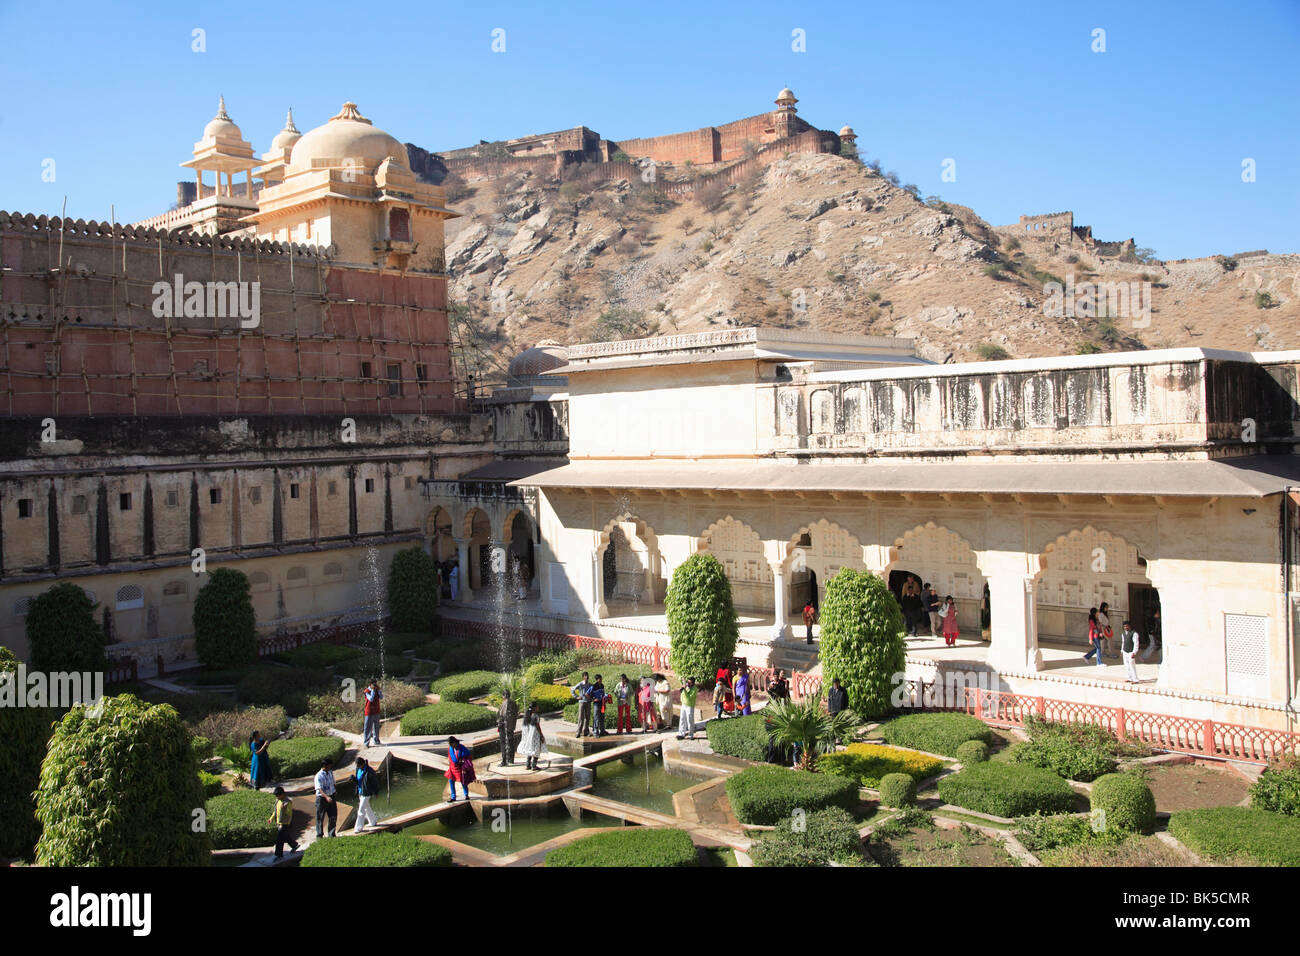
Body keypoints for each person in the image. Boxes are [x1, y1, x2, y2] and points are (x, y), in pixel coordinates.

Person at [267, 786, 299, 858]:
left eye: (278, 795)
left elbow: (289, 814)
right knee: (285, 836)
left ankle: (278, 854)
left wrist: (284, 810)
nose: (277, 797)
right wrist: (271, 818)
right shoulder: (278, 801)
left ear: (283, 794)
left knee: (279, 840)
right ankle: (294, 845)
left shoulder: (287, 803)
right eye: (276, 796)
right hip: (279, 822)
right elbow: (275, 811)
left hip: (285, 823)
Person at [444, 736, 476, 801]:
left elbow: (468, 757)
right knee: (451, 781)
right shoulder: (450, 748)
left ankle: (466, 795)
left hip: (460, 768)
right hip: (452, 768)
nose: (450, 745)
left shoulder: (462, 748)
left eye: (451, 744)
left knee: (463, 781)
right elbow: (450, 757)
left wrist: (463, 761)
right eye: (449, 744)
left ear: (455, 742)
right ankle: (453, 797)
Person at [518, 703, 548, 770]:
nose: (538, 707)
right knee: (536, 749)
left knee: (530, 748)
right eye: (537, 706)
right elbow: (538, 726)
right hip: (535, 735)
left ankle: (527, 765)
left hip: (529, 735)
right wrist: (541, 735)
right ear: (534, 708)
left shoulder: (527, 715)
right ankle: (534, 766)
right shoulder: (535, 716)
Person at [353, 757, 379, 832]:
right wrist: (354, 779)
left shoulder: (369, 771)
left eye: (358, 765)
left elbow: (374, 782)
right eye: (357, 766)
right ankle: (373, 821)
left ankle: (358, 828)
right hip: (360, 791)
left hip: (367, 792)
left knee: (361, 809)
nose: (357, 767)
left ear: (362, 764)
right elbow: (358, 780)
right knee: (367, 807)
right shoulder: (358, 769)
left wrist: (376, 792)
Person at [314, 758, 338, 838]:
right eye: (330, 765)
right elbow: (319, 789)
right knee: (320, 817)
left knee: (333, 816)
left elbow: (333, 783)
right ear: (325, 766)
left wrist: (334, 791)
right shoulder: (319, 776)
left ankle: (331, 834)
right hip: (322, 799)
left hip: (331, 796)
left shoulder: (330, 772)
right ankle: (319, 835)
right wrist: (327, 797)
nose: (331, 767)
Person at [497, 689, 519, 766]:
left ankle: (504, 761)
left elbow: (501, 716)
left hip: (504, 727)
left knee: (503, 743)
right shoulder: (514, 703)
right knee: (511, 742)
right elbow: (516, 713)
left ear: (503, 696)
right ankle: (511, 759)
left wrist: (499, 725)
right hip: (511, 727)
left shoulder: (503, 704)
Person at [571, 671, 593, 738]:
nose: (586, 677)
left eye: (587, 675)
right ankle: (578, 732)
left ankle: (586, 731)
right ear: (583, 677)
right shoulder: (580, 684)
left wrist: (591, 698)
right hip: (582, 702)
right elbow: (572, 690)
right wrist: (576, 697)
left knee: (587, 717)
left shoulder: (590, 685)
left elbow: (592, 692)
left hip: (588, 702)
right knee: (581, 717)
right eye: (585, 676)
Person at [363, 680, 384, 747]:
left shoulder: (377, 690)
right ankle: (366, 743)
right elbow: (371, 699)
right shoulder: (367, 691)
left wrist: (379, 691)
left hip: (376, 711)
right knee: (368, 728)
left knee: (376, 727)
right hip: (369, 711)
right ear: (370, 684)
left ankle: (376, 740)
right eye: (374, 684)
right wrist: (373, 691)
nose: (375, 685)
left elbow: (381, 697)